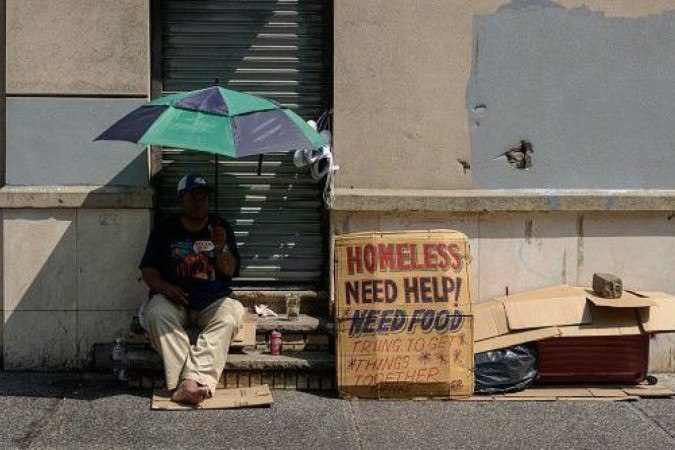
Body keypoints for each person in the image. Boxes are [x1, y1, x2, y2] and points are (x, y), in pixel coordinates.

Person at [139, 173, 244, 405]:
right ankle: (191, 382)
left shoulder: (220, 228)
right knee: (155, 314)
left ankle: (185, 383)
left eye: (204, 197)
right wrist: (165, 288)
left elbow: (229, 271)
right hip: (174, 300)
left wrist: (221, 247)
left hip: (212, 300)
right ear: (181, 198)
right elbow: (148, 270)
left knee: (231, 316)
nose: (199, 202)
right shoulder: (165, 228)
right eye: (193, 196)